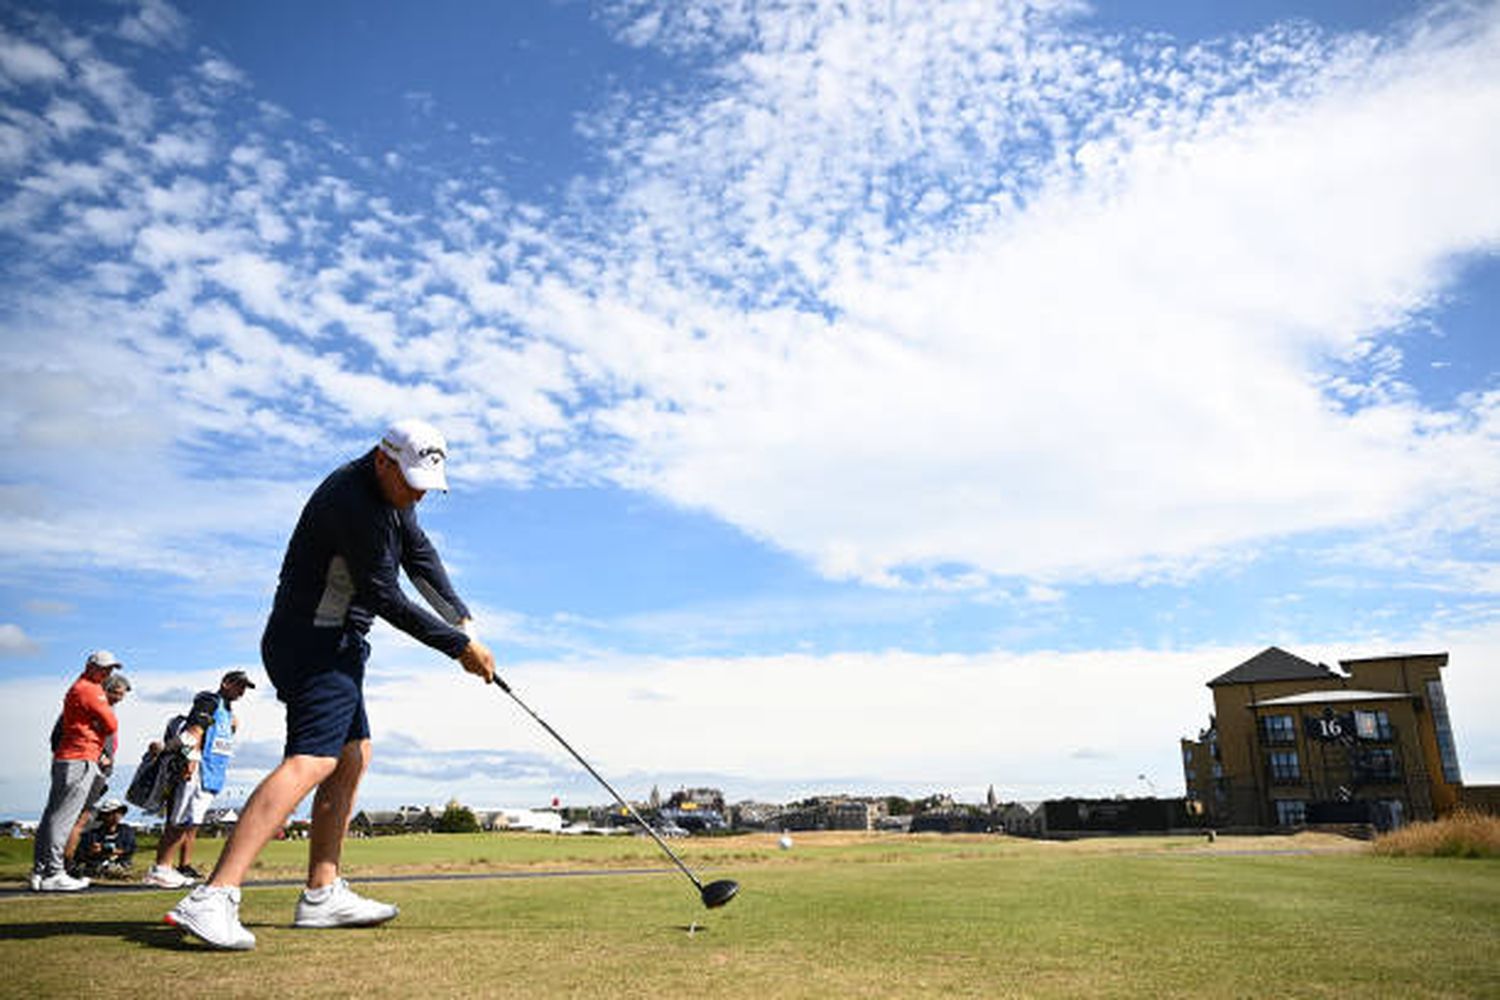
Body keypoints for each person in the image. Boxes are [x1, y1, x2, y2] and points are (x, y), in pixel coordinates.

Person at [166, 419, 496, 950]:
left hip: (336, 645)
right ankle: (215, 896)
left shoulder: (395, 499)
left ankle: (322, 892)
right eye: (410, 479)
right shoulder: (354, 502)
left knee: (354, 755)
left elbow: (421, 556)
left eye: (425, 484)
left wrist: (462, 620)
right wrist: (458, 649)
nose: (417, 494)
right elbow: (386, 596)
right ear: (383, 460)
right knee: (314, 760)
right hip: (314, 643)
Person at [143, 671, 255, 888]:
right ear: (226, 683)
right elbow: (193, 732)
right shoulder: (209, 701)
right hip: (198, 770)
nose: (241, 691)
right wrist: (191, 758)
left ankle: (166, 868)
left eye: (245, 687)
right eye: (239, 685)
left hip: (212, 774)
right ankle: (161, 868)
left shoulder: (227, 712)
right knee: (179, 820)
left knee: (189, 822)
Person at [31, 650, 123, 891]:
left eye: (110, 669)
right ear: (90, 666)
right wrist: (99, 723)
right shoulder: (90, 689)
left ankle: (41, 871)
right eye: (104, 668)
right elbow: (111, 724)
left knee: (53, 815)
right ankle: (54, 872)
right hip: (80, 758)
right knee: (63, 818)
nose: (107, 673)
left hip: (70, 757)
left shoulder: (82, 688)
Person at [62, 671, 132, 874]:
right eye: (117, 693)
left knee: (80, 818)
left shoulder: (107, 710)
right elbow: (67, 734)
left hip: (99, 771)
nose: (120, 698)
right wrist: (95, 757)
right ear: (105, 690)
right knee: (77, 818)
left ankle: (67, 863)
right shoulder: (92, 708)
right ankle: (65, 865)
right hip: (88, 767)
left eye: (122, 695)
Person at [76, 799, 137, 878]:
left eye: (119, 812)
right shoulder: (92, 834)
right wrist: (91, 851)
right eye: (111, 813)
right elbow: (82, 854)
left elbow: (128, 849)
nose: (116, 815)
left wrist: (103, 849)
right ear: (103, 815)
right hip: (97, 864)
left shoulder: (127, 831)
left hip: (121, 864)